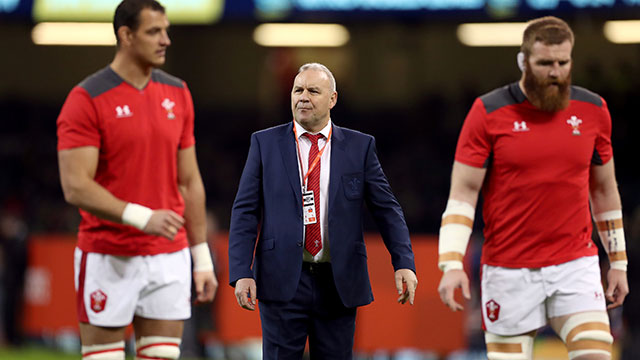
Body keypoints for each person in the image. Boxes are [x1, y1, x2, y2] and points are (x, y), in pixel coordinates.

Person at [437, 16, 629, 360]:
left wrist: (619, 262)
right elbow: (463, 193)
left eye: (563, 62)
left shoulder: (594, 110)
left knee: (596, 354)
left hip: (575, 266)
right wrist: (450, 264)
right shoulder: (488, 112)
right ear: (524, 62)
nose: (555, 72)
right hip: (508, 271)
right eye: (544, 63)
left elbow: (604, 191)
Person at [56, 1, 218, 359]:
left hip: (168, 255)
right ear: (125, 35)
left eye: (166, 30)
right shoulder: (86, 99)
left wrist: (201, 257)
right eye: (154, 32)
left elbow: (190, 182)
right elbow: (75, 185)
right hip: (107, 254)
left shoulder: (178, 93)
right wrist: (142, 217)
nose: (166, 40)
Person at [229, 62, 418, 359]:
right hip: (281, 279)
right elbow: (245, 211)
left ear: (332, 99)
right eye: (297, 90)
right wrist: (242, 271)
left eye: (313, 91)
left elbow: (387, 210)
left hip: (338, 283)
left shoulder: (360, 147)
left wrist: (404, 262)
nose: (303, 97)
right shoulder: (264, 143)